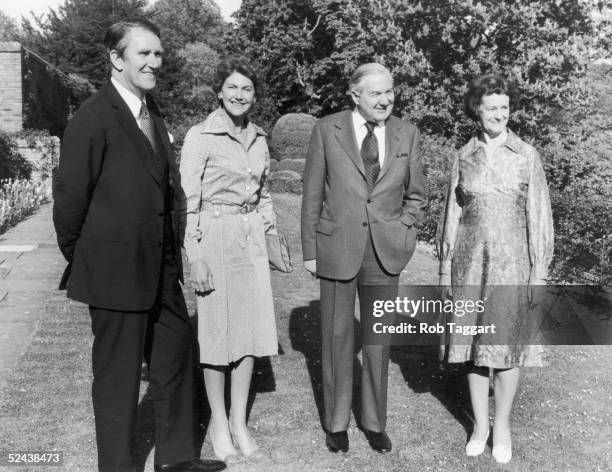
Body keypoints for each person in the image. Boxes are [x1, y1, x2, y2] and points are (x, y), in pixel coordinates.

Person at [53, 19, 226, 472]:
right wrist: (91, 258)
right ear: (116, 58)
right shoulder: (92, 118)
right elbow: (70, 203)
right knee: (117, 377)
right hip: (114, 274)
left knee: (174, 358)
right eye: (143, 54)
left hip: (162, 271)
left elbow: (168, 190)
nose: (154, 62)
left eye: (158, 54)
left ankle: (177, 460)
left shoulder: (155, 116)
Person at [301, 63, 427, 454]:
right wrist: (310, 251)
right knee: (336, 339)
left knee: (377, 342)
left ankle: (374, 422)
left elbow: (417, 195)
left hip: (385, 252)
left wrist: (404, 230)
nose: (385, 99)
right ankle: (336, 424)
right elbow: (311, 195)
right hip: (337, 248)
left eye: (390, 91)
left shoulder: (408, 132)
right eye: (375, 93)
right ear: (354, 95)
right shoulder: (327, 129)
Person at [436, 74, 554, 464]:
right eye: (491, 108)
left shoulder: (526, 154)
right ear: (477, 110)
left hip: (511, 267)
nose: (499, 114)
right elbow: (451, 214)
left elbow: (539, 216)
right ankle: (480, 426)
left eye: (504, 107)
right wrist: (443, 268)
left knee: (507, 347)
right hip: (468, 265)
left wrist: (539, 273)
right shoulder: (463, 154)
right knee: (473, 347)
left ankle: (501, 426)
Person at [179, 55, 278, 464]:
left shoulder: (258, 137)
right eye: (232, 87)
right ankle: (219, 422)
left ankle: (239, 421)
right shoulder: (201, 135)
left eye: (247, 89)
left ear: (254, 96)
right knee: (218, 335)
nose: (239, 95)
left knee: (251, 335)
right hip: (214, 237)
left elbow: (265, 192)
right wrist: (195, 257)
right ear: (219, 91)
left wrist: (269, 234)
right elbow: (186, 203)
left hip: (250, 237)